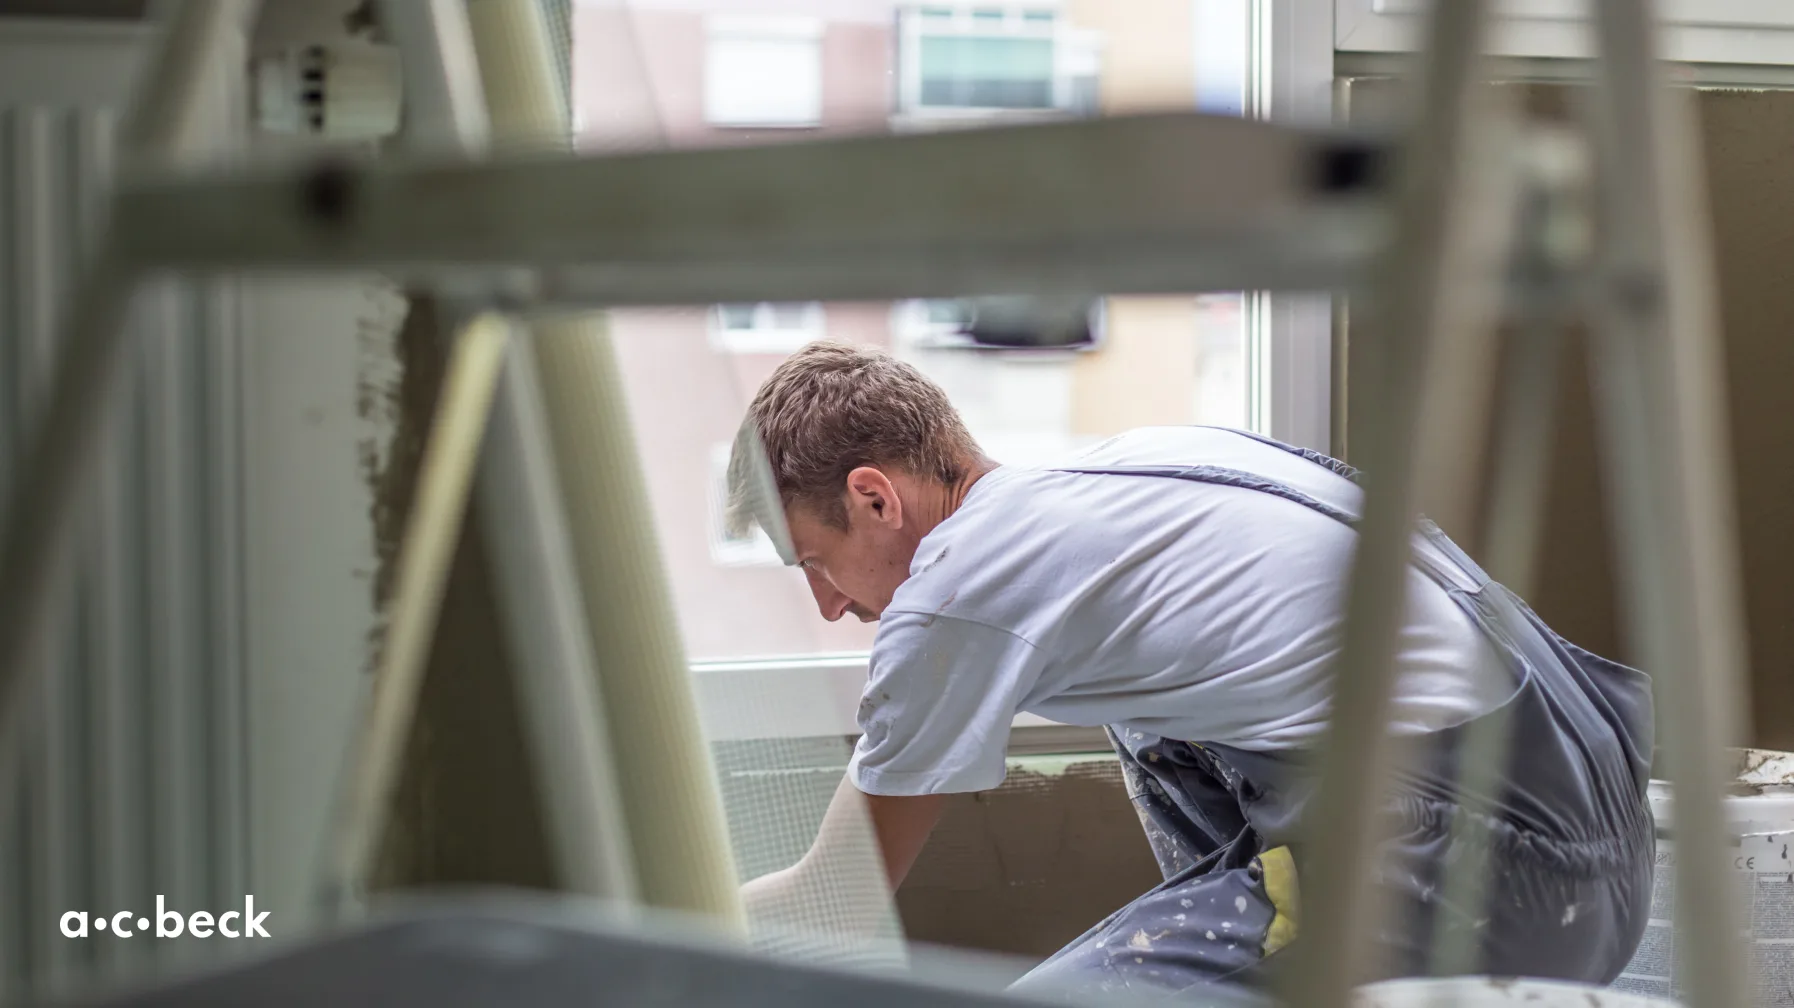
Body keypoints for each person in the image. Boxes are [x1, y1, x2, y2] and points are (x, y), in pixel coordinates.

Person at [727, 341, 1654, 999]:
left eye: (815, 563)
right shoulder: (1138, 473)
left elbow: (835, 902)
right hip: (1598, 830)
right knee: (1150, 713)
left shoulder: (957, 585)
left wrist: (612, 928)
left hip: (1477, 874)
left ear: (874, 496)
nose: (830, 606)